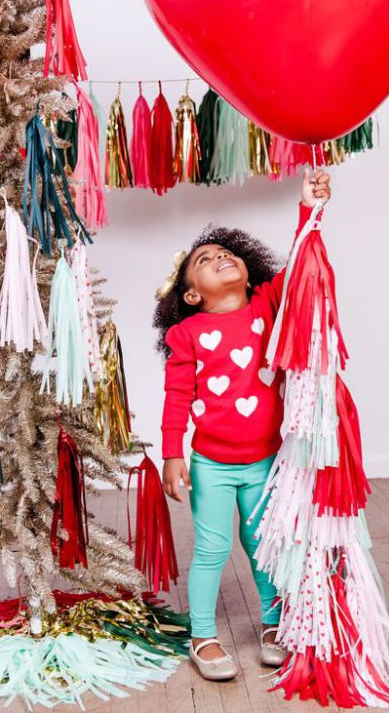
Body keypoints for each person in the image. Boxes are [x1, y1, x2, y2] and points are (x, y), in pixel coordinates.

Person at [153, 168, 331, 680]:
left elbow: (301, 263)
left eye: (225, 253)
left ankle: (274, 622)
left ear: (247, 269)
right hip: (211, 463)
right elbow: (176, 399)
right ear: (191, 293)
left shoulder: (267, 306)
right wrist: (171, 453)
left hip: (265, 462)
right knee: (212, 547)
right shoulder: (187, 336)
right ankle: (203, 635)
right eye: (203, 261)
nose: (218, 257)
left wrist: (309, 207)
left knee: (262, 543)